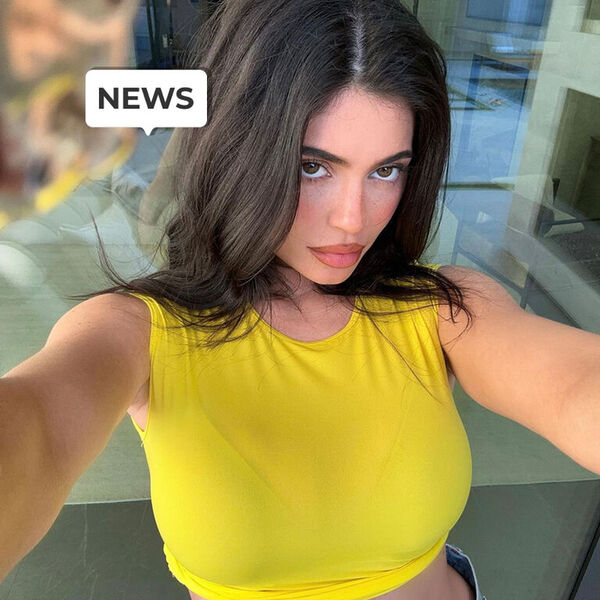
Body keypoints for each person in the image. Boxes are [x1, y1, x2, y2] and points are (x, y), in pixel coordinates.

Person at [1, 1, 599, 599]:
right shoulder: (137, 330)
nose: (352, 219)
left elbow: (575, 384)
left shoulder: (443, 309)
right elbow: (36, 433)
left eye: (386, 171)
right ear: (238, 154)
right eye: (313, 167)